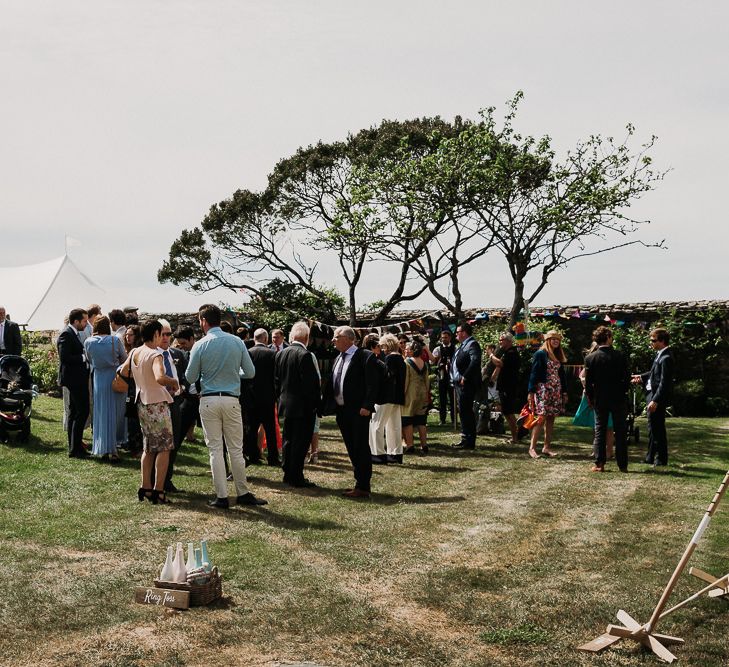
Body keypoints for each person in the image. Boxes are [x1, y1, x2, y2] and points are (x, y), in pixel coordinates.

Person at [185, 304, 267, 508]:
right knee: (235, 449)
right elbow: (250, 372)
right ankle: (243, 492)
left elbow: (190, 376)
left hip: (209, 399)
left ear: (203, 321)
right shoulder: (236, 341)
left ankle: (222, 496)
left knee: (215, 449)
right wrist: (232, 374)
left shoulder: (200, 344)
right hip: (231, 399)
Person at [118, 319, 178, 504]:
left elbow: (122, 370)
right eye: (162, 334)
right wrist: (173, 382)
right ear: (155, 334)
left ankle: (145, 486)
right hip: (157, 404)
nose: (163, 337)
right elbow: (160, 377)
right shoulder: (155, 355)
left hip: (141, 402)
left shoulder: (135, 351)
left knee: (148, 446)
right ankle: (158, 490)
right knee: (165, 447)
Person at [324, 326, 379, 499]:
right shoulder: (338, 358)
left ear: (348, 338)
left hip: (359, 411)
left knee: (360, 447)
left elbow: (373, 384)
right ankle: (359, 482)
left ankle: (363, 486)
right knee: (351, 447)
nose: (333, 340)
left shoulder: (365, 356)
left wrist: (367, 405)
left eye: (336, 337)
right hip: (342, 411)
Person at [275, 321, 321, 487]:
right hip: (303, 406)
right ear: (307, 338)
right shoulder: (305, 355)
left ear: (291, 336)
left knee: (288, 439)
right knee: (300, 442)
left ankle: (287, 472)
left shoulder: (281, 354)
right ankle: (296, 476)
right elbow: (312, 385)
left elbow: (277, 381)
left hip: (286, 403)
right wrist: (317, 405)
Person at [584, 326, 630, 473]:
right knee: (621, 431)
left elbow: (589, 382)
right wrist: (622, 391)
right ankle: (622, 465)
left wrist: (591, 398)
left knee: (600, 430)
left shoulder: (590, 358)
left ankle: (599, 463)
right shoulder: (620, 356)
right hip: (618, 398)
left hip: (600, 398)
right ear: (609, 338)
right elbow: (627, 378)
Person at [84, 316, 127, 461]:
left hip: (99, 378)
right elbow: (124, 359)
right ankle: (114, 449)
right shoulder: (115, 340)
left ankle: (102, 447)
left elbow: (89, 359)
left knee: (101, 413)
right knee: (116, 413)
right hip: (115, 378)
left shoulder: (88, 342)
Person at [632, 328, 674, 466]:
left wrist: (655, 400)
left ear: (662, 341)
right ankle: (650, 457)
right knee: (652, 428)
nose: (651, 343)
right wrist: (640, 377)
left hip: (656, 397)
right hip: (651, 394)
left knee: (657, 429)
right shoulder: (659, 355)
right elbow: (653, 373)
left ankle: (661, 459)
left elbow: (664, 382)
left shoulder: (666, 358)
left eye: (653, 340)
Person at [527, 330, 568, 459]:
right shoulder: (540, 354)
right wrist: (531, 391)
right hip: (543, 390)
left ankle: (546, 447)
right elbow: (534, 373)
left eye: (558, 339)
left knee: (551, 418)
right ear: (548, 340)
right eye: (553, 339)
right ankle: (532, 448)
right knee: (541, 418)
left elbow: (562, 376)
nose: (556, 341)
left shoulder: (558, 355)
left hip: (556, 390)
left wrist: (564, 392)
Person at [158, 319, 187, 492]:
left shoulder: (176, 354)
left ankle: (167, 479)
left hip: (175, 402)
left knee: (174, 442)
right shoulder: (151, 354)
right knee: (159, 444)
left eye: (169, 334)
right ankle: (157, 480)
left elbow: (183, 377)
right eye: (163, 334)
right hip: (157, 403)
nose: (167, 337)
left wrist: (181, 387)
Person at [57, 308, 90, 459]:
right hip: (74, 379)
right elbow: (65, 358)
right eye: (84, 321)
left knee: (74, 411)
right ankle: (75, 447)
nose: (86, 323)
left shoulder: (73, 333)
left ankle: (74, 447)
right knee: (82, 411)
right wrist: (84, 357)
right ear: (76, 321)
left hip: (76, 378)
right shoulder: (66, 334)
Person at [244, 328, 279, 466]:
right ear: (266, 339)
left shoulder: (248, 353)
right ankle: (273, 457)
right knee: (270, 429)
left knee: (251, 429)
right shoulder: (272, 354)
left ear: (254, 338)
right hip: (267, 397)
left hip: (251, 396)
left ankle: (253, 455)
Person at [369, 334, 406, 463]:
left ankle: (377, 454)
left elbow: (386, 378)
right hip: (397, 397)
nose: (382, 349)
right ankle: (395, 454)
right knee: (394, 426)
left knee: (376, 424)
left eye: (383, 346)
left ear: (387, 345)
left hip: (386, 396)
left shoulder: (389, 359)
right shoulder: (401, 358)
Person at [450, 322, 482, 450]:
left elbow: (475, 361)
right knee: (463, 411)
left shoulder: (472, 344)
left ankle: (469, 440)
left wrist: (465, 376)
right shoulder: (463, 345)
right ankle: (464, 438)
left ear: (464, 333)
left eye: (457, 332)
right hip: (459, 383)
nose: (456, 334)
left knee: (466, 411)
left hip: (467, 383)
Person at [489, 333, 520, 444]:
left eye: (502, 340)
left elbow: (500, 363)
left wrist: (491, 355)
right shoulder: (507, 353)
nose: (500, 342)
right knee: (507, 412)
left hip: (509, 386)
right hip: (505, 386)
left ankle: (515, 437)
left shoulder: (511, 353)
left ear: (509, 341)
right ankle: (517, 434)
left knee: (508, 412)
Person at [401, 339, 430, 456]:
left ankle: (410, 445)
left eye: (408, 349)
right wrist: (427, 393)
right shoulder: (425, 363)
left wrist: (402, 393)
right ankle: (424, 445)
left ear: (412, 351)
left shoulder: (407, 362)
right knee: (421, 421)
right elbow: (427, 380)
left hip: (411, 393)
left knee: (407, 420)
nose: (406, 350)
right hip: (422, 393)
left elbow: (406, 380)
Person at [121, 325, 143, 456]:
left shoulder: (136, 351)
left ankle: (136, 446)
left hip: (135, 388)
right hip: (129, 387)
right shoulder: (128, 349)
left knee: (134, 417)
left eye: (131, 335)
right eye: (127, 334)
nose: (127, 337)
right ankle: (131, 443)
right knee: (130, 417)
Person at [431, 329, 455, 426]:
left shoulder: (455, 348)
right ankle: (442, 419)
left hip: (452, 376)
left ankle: (454, 419)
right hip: (441, 376)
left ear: (449, 338)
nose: (444, 339)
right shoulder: (437, 349)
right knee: (442, 399)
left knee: (453, 399)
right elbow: (432, 361)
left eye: (445, 337)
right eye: (442, 338)